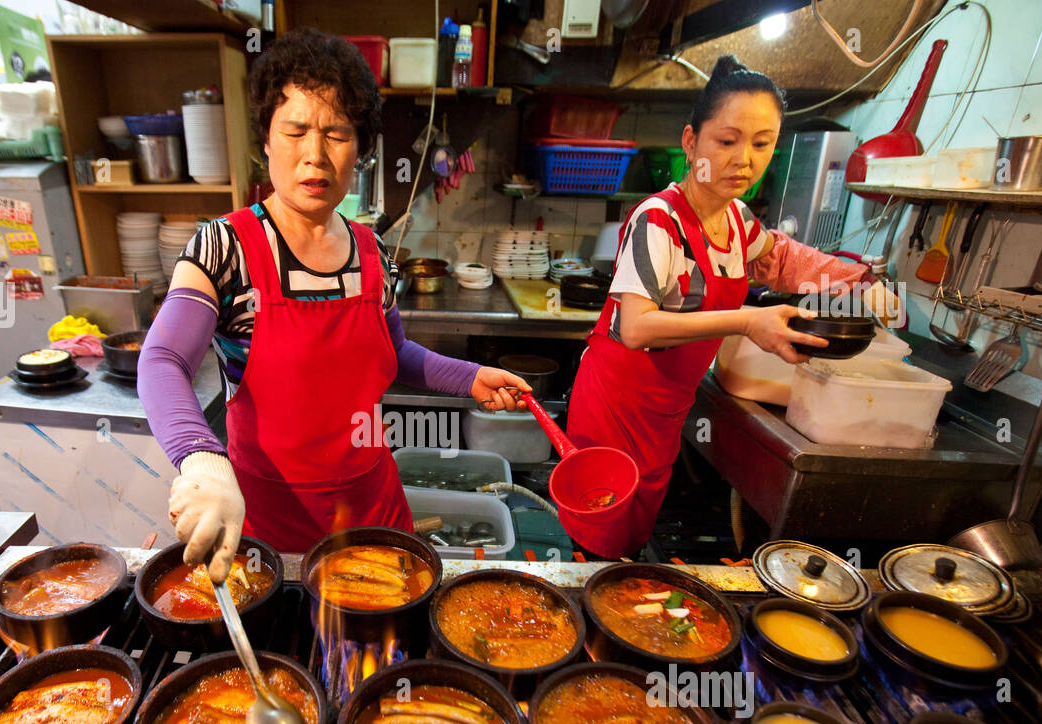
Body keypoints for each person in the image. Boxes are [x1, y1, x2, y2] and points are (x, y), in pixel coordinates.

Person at [139, 28, 529, 582]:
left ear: (361, 149)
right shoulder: (226, 249)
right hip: (270, 526)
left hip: (374, 513)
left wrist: (470, 378)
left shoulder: (371, 252)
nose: (314, 156)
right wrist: (202, 459)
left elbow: (393, 355)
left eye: (337, 135)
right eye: (294, 131)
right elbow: (162, 362)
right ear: (267, 142)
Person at [564, 54, 900, 559]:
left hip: (666, 411)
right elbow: (635, 327)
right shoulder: (659, 220)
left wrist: (859, 279)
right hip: (617, 405)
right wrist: (748, 321)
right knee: (601, 537)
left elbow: (783, 260)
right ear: (690, 142)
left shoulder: (738, 221)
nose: (744, 159)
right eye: (727, 141)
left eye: (762, 144)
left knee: (633, 537)